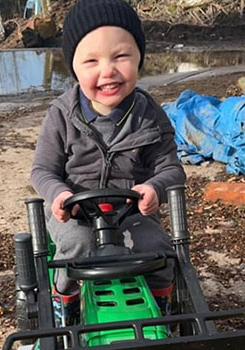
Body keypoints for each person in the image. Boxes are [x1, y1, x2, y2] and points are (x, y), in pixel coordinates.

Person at [29, 0, 186, 326]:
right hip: (74, 213)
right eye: (91, 61)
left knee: (156, 244)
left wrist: (155, 187)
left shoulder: (149, 115)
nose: (108, 70)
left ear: (139, 57)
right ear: (73, 68)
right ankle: (66, 306)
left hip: (128, 214)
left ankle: (162, 309)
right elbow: (42, 170)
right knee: (76, 243)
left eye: (120, 56)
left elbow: (172, 169)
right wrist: (57, 195)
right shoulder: (61, 115)